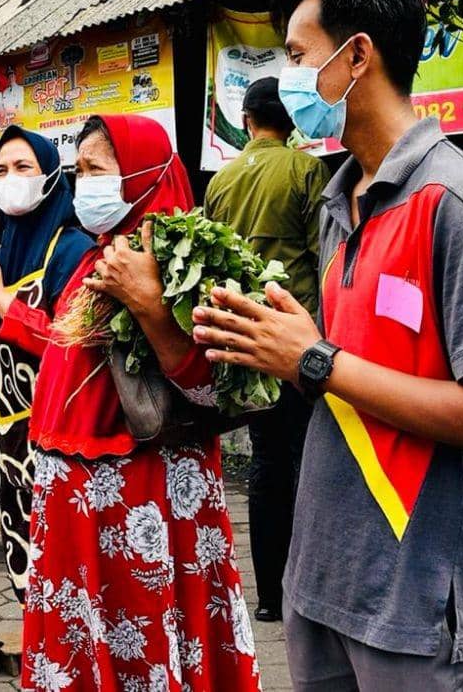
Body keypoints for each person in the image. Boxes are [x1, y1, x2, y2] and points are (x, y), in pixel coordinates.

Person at [193, 0, 463, 690]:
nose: (290, 78)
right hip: (320, 583)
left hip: (411, 602)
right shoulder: (335, 201)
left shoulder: (450, 205)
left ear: (357, 56)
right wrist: (286, 344)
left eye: (298, 55)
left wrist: (314, 359)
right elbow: (350, 365)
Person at [20, 114, 260, 692]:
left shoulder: (194, 261)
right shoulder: (95, 256)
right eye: (78, 173)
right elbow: (64, 348)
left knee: (143, 640)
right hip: (79, 506)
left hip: (145, 499)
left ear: (145, 176)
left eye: (97, 171)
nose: (84, 187)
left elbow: (215, 391)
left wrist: (151, 305)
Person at [204, 76, 330, 623]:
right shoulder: (307, 170)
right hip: (300, 339)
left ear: (249, 121)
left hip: (247, 344)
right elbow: (326, 257)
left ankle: (269, 598)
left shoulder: (221, 180)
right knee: (308, 462)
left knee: (265, 464)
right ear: (291, 120)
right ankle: (310, 592)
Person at [0, 125, 93, 603]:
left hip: (63, 436)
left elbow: (71, 343)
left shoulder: (72, 249)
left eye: (23, 168)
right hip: (12, 440)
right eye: (0, 171)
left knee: (66, 572)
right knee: (28, 574)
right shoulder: (4, 251)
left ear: (51, 175)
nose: (9, 179)